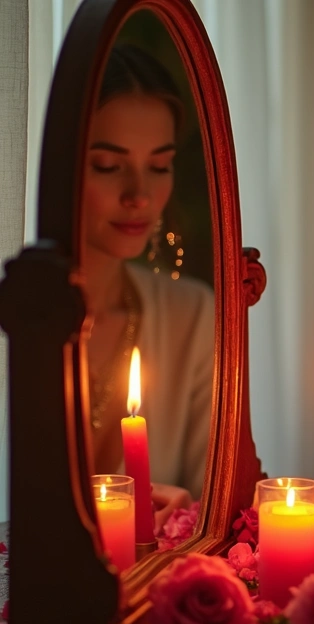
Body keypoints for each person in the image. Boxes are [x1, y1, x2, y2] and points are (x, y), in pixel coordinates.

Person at [83, 44, 214, 528]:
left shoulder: (191, 314)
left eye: (159, 166)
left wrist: (191, 517)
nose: (140, 194)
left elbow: (219, 503)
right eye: (107, 165)